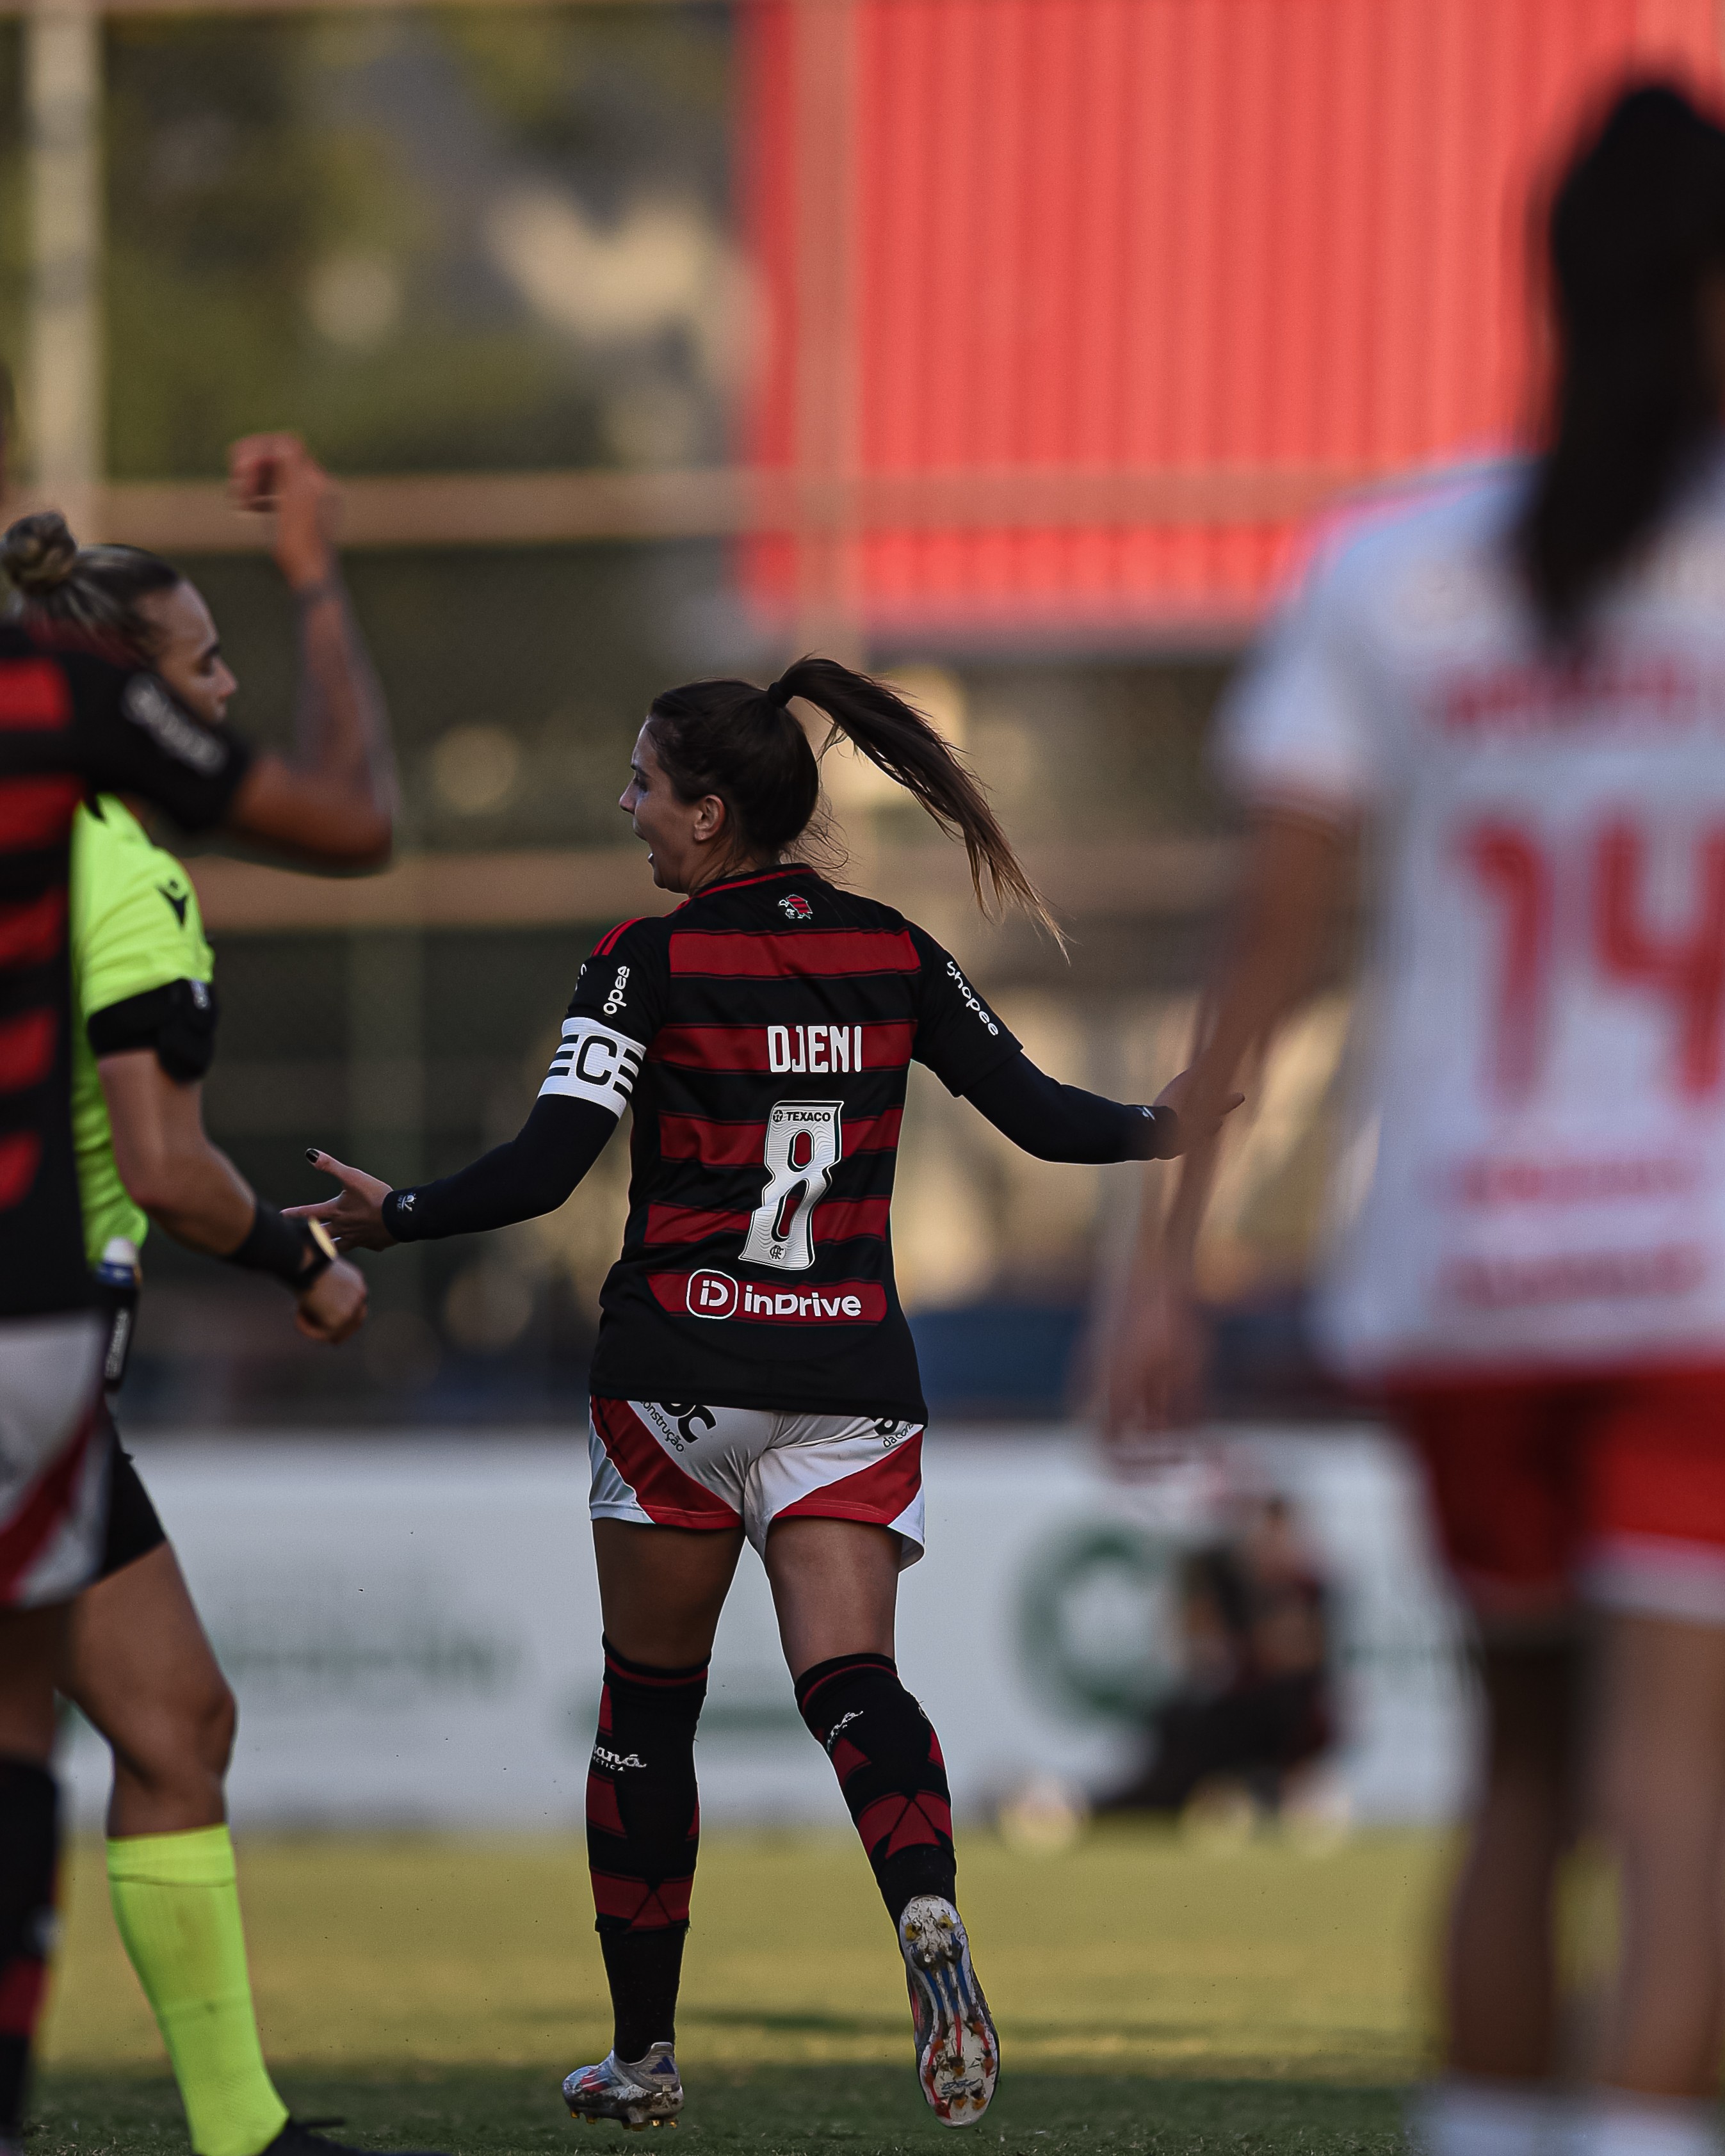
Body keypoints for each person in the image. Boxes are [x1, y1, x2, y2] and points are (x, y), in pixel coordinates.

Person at [294, 656, 1204, 2130]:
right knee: (853, 1682)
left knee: (650, 1708)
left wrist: (390, 1213)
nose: (629, 808)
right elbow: (1044, 1120)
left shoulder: (643, 962)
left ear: (712, 815)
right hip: (848, 1371)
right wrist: (1173, 1124)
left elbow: (542, 1171)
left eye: (646, 785)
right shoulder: (899, 952)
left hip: (677, 1379)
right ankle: (926, 1910)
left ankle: (644, 2055)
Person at [1101, 81, 1725, 2156]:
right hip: (1696, 1273)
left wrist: (1164, 1261)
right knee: (1678, 1792)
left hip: (1458, 1261)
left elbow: (1259, 949)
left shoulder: (1387, 567)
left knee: (1518, 1776)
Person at [1, 437, 419, 2156]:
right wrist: (299, 1260)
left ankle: (239, 2127)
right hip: (21, 1355)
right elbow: (166, 1167)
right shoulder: (123, 866)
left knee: (172, 1720)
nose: (226, 689)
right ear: (130, 696)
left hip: (48, 1382)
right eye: (205, 665)